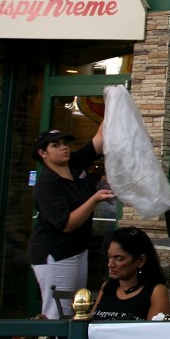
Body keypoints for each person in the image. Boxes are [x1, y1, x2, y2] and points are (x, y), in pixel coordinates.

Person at [29, 125, 113, 319]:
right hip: (56, 253)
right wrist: (94, 200)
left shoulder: (75, 163)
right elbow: (66, 224)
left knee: (79, 306)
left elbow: (100, 138)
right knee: (58, 311)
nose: (63, 148)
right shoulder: (47, 185)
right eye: (55, 145)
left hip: (78, 249)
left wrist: (114, 98)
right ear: (43, 153)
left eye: (65, 143)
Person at [91, 227, 170, 321]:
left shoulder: (155, 292)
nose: (110, 264)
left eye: (119, 258)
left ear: (140, 260)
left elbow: (154, 332)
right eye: (109, 257)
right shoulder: (107, 287)